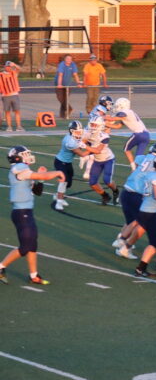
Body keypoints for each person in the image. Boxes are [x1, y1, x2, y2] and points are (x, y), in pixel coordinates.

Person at [0, 146, 65, 285]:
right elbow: (45, 176)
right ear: (17, 157)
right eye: (25, 154)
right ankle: (1, 267)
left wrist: (40, 180)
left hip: (27, 212)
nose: (28, 156)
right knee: (25, 247)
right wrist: (57, 172)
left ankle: (34, 275)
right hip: (21, 212)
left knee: (32, 245)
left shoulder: (24, 169)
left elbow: (37, 192)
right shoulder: (18, 168)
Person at [112, 141, 156, 262]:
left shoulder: (144, 157)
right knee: (142, 221)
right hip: (137, 193)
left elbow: (138, 164)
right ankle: (124, 245)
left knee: (133, 221)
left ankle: (122, 240)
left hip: (127, 191)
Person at [52, 120, 91, 211]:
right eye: (77, 132)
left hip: (67, 162)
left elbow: (83, 140)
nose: (79, 133)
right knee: (63, 181)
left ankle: (58, 195)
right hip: (60, 162)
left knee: (68, 183)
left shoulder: (74, 137)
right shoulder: (70, 142)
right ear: (71, 131)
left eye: (80, 131)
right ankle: (59, 201)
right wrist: (92, 149)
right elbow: (82, 154)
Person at [104, 97, 150, 171]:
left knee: (126, 149)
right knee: (138, 156)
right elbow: (118, 126)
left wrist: (101, 116)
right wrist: (106, 124)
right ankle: (139, 169)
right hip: (146, 135)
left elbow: (115, 118)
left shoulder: (125, 112)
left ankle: (133, 167)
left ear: (122, 106)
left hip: (138, 134)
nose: (116, 107)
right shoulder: (130, 113)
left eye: (117, 106)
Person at [84, 115, 119, 205]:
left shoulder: (104, 136)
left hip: (108, 159)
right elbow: (81, 142)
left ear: (100, 125)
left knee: (107, 180)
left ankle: (115, 191)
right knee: (92, 183)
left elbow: (98, 150)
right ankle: (105, 195)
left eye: (95, 125)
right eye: (92, 124)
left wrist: (83, 149)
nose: (92, 127)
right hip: (97, 160)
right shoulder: (87, 133)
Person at [54, 54, 82, 119]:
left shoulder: (73, 65)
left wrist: (78, 83)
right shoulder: (62, 65)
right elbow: (60, 75)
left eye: (70, 59)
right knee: (60, 98)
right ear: (65, 59)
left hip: (68, 84)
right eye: (67, 59)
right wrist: (59, 84)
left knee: (65, 99)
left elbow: (75, 75)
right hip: (59, 83)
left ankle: (62, 115)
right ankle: (69, 108)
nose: (69, 60)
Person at [1, 60, 25, 131]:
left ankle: (19, 126)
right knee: (7, 112)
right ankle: (9, 127)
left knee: (17, 111)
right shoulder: (1, 75)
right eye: (8, 66)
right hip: (5, 95)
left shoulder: (13, 73)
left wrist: (14, 64)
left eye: (10, 67)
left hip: (14, 94)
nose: (9, 68)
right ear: (5, 67)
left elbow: (19, 69)